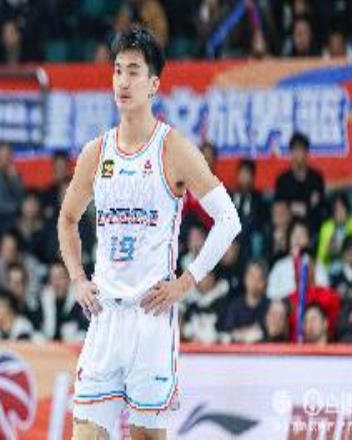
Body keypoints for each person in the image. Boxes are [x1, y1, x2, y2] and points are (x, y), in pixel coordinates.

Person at [58, 25, 241, 440]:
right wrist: (77, 279)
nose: (123, 81)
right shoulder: (95, 153)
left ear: (154, 84)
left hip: (151, 321)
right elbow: (67, 220)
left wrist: (186, 282)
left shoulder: (174, 149)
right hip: (105, 317)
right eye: (117, 70)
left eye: (133, 71)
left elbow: (229, 219)